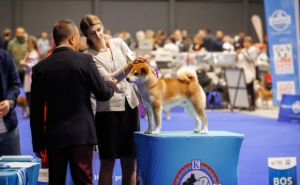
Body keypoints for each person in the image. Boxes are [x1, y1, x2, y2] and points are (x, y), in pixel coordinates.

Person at [30, 19, 116, 185]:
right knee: (84, 181)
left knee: (56, 181)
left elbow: (36, 110)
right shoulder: (85, 61)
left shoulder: (40, 69)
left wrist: (38, 143)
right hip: (82, 135)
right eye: (78, 38)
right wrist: (112, 85)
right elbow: (103, 94)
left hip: (54, 137)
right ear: (71, 39)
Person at [80, 14, 147, 185]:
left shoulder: (119, 43)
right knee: (107, 163)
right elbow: (107, 79)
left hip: (131, 106)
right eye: (92, 33)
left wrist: (142, 65)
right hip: (107, 112)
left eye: (99, 30)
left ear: (102, 26)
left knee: (130, 161)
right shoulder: (89, 56)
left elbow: (134, 61)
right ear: (86, 36)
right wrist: (129, 66)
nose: (98, 35)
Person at [0, 49, 21, 156]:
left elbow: (15, 84)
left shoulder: (4, 56)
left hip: (8, 129)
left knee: (14, 170)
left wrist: (9, 101)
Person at [20, 36, 40, 118]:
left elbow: (34, 65)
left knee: (31, 95)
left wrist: (24, 63)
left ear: (33, 44)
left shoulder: (35, 53)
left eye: (30, 42)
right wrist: (24, 64)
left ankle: (33, 112)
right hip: (27, 77)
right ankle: (28, 110)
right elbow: (25, 66)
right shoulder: (28, 53)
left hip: (32, 76)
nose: (28, 44)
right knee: (27, 94)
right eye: (28, 42)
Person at [237, 36, 258, 110]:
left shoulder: (254, 50)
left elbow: (251, 59)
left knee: (250, 89)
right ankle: (243, 104)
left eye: (246, 42)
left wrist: (244, 53)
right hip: (242, 72)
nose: (245, 44)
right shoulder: (243, 50)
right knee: (243, 89)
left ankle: (252, 105)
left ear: (250, 42)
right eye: (244, 42)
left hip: (250, 72)